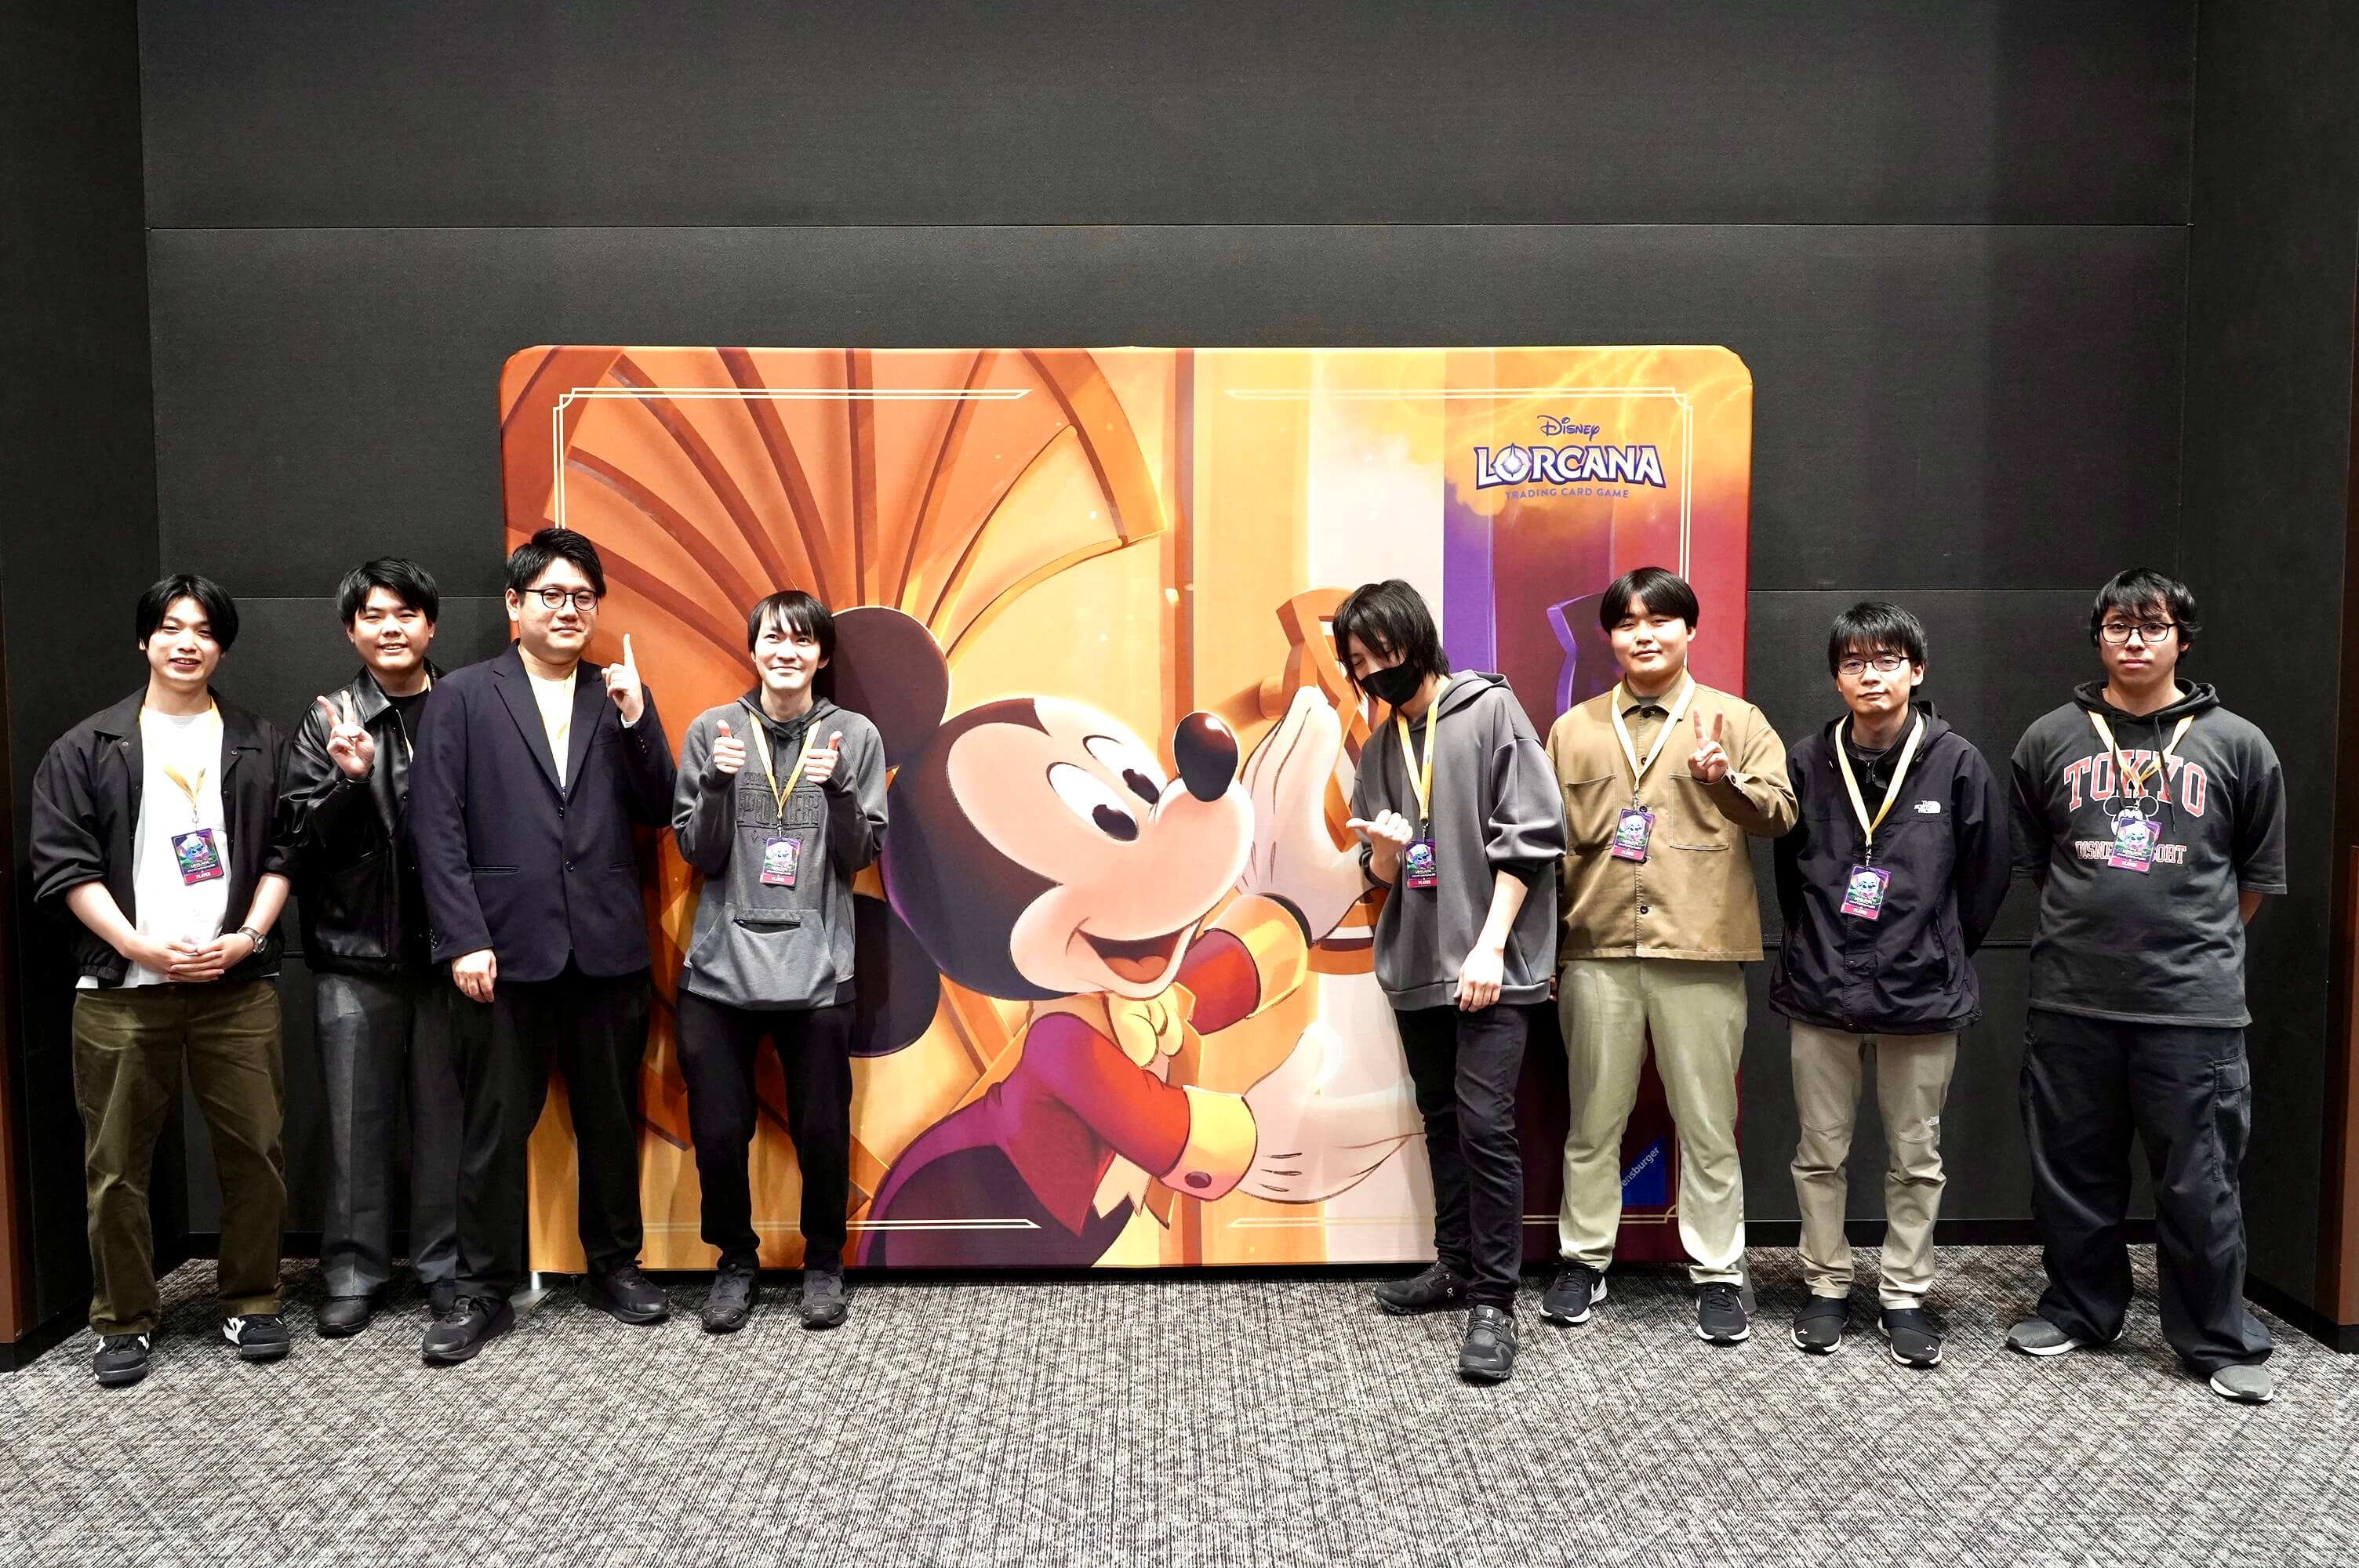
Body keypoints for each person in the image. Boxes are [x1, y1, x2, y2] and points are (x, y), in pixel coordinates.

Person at [2005, 568, 2284, 1404]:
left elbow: (2252, 881)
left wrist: (2185, 941)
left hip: (2190, 1005)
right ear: (2097, 637)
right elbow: (2040, 864)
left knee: (2200, 1180)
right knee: (2070, 1170)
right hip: (2071, 995)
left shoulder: (2238, 744)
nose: (2134, 641)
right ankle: (2079, 1309)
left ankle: (2214, 1335)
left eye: (2152, 626)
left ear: (2181, 639)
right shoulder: (2049, 739)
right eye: (2118, 626)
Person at [407, 528, 676, 1364]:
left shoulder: (616, 692)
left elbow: (659, 805)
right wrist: (462, 938)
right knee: (492, 1127)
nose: (568, 610)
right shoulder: (462, 696)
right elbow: (436, 827)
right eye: (551, 595)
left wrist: (637, 720)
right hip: (501, 951)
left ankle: (615, 1264)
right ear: (514, 604)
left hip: (604, 948)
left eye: (583, 597)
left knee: (609, 1118)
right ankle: (481, 1289)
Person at [30, 574, 296, 1387]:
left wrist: (247, 939)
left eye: (205, 630)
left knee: (255, 1152)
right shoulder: (86, 746)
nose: (188, 642)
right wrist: (139, 946)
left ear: (222, 647)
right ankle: (123, 1318)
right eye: (172, 627)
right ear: (145, 639)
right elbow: (66, 867)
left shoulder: (259, 740)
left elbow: (286, 852)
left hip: (235, 987)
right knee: (116, 1165)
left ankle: (252, 1299)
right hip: (120, 992)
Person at [1542, 566, 1795, 1345]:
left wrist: (1724, 781)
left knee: (1708, 1123)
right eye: (1627, 622)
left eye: (1659, 620)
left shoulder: (1735, 720)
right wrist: (1546, 953)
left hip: (1699, 949)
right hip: (1596, 951)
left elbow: (1780, 815)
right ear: (1609, 637)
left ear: (1690, 630)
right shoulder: (1572, 730)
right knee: (1592, 1121)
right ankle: (1583, 1258)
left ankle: (1717, 1271)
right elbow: (1548, 850)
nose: (1643, 634)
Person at [1768, 603, 2008, 1367]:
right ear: (1836, 677)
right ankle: (1826, 1284)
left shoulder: (1956, 762)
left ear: (1916, 670)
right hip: (1822, 990)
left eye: (1886, 660)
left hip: (1921, 993)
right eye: (1853, 663)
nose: (1869, 675)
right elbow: (1788, 875)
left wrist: (1937, 946)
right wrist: (1818, 945)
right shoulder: (1807, 761)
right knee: (1818, 1152)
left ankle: (1904, 1293)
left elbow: (1987, 875)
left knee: (1916, 1157)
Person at [1340, 579, 1565, 1384]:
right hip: (1417, 962)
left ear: (1415, 640)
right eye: (1357, 661)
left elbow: (1532, 836)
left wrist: (1490, 948)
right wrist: (1385, 851)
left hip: (1491, 964)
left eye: (1381, 652)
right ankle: (1456, 1264)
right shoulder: (1379, 749)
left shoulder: (1490, 711)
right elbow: (1377, 871)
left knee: (1483, 1122)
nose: (1372, 670)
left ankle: (1495, 1302)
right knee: (1441, 1117)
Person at [671, 590, 885, 1333]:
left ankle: (824, 1262)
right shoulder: (713, 731)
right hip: (719, 972)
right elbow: (699, 853)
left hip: (819, 973)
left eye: (801, 641)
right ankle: (735, 1260)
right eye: (773, 638)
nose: (786, 652)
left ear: (821, 656)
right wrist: (715, 784)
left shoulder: (854, 736)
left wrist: (842, 790)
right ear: (754, 648)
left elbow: (860, 856)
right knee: (718, 1132)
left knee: (822, 1130)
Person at [282, 558, 467, 1337]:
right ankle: (353, 1271)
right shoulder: (329, 718)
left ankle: (445, 1267)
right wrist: (350, 780)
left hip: (451, 954)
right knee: (354, 1124)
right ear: (350, 630)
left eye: (405, 613)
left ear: (430, 624)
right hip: (354, 953)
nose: (391, 628)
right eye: (373, 615)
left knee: (445, 1121)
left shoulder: (465, 705)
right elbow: (299, 841)